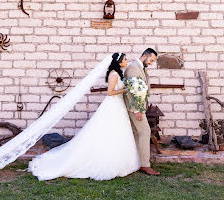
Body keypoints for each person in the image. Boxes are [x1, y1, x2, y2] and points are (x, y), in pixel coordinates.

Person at [28, 53, 140, 181]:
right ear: (119, 61)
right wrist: (125, 90)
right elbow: (110, 93)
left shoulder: (118, 74)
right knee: (111, 131)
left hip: (118, 105)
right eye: (125, 59)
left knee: (118, 132)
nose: (127, 61)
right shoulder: (114, 75)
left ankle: (121, 160)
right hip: (113, 105)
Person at [123, 48, 160, 176]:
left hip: (138, 107)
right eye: (151, 60)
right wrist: (137, 110)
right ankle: (145, 165)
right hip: (135, 108)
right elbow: (133, 92)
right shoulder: (133, 68)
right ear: (144, 56)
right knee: (145, 132)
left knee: (136, 133)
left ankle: (137, 162)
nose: (151, 63)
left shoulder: (141, 68)